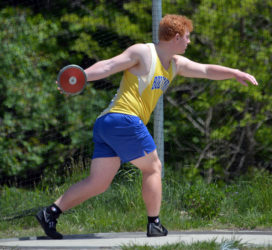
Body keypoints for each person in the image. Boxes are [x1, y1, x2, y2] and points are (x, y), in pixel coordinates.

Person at [36, 14, 258, 239]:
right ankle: (154, 224)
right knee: (153, 168)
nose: (190, 42)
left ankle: (50, 212)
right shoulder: (143, 52)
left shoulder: (175, 64)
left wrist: (234, 73)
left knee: (98, 183)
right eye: (188, 37)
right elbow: (110, 65)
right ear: (177, 37)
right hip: (125, 118)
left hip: (107, 124)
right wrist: (80, 76)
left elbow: (206, 70)